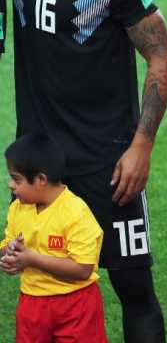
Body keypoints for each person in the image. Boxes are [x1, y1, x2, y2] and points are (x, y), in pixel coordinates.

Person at [1, 0, 167, 340]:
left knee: (134, 288)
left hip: (108, 162)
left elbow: (162, 56)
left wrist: (142, 146)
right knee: (39, 287)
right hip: (40, 161)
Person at [2, 133, 107, 343]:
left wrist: (31, 259)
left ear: (41, 179)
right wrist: (9, 255)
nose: (10, 185)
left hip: (76, 305)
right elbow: (7, 245)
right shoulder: (17, 208)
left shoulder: (76, 213)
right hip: (32, 303)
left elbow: (83, 269)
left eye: (16, 179)